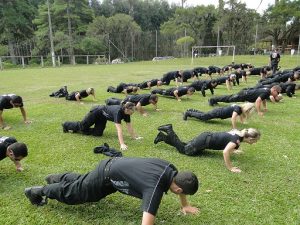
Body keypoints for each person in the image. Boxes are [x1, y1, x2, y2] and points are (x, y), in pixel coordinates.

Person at [24, 157, 199, 225]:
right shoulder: (154, 188)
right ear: (178, 188)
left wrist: (185, 205)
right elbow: (147, 223)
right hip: (107, 175)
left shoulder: (172, 170)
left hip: (113, 167)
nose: (180, 194)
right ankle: (38, 191)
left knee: (84, 182)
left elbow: (181, 188)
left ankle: (57, 178)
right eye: (182, 193)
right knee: (76, 194)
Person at [154, 124, 260, 173]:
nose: (254, 143)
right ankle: (169, 130)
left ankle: (162, 137)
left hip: (206, 136)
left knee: (184, 145)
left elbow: (227, 137)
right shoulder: (236, 141)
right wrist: (230, 168)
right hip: (204, 141)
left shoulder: (238, 132)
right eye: (255, 141)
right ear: (250, 138)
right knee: (185, 150)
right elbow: (225, 152)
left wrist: (234, 150)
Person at [62, 102, 141, 150]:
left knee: (98, 133)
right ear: (127, 109)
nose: (133, 112)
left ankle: (78, 130)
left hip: (102, 117)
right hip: (96, 111)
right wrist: (122, 144)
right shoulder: (118, 112)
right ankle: (66, 124)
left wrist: (134, 137)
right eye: (132, 110)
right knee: (82, 126)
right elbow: (119, 129)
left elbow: (129, 126)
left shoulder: (127, 114)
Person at [208, 85, 281, 116]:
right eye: (277, 93)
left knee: (229, 98)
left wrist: (265, 108)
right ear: (274, 90)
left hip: (246, 93)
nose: (277, 95)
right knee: (229, 99)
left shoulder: (268, 90)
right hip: (244, 94)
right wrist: (259, 111)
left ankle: (214, 100)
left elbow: (263, 99)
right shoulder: (267, 92)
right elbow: (258, 101)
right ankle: (212, 99)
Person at [183, 103, 255, 129]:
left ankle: (192, 110)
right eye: (249, 111)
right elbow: (233, 118)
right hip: (218, 113)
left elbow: (241, 116)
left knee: (204, 115)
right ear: (247, 109)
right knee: (203, 117)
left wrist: (243, 122)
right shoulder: (238, 109)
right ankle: (188, 113)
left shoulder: (239, 108)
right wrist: (234, 128)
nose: (248, 112)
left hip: (218, 111)